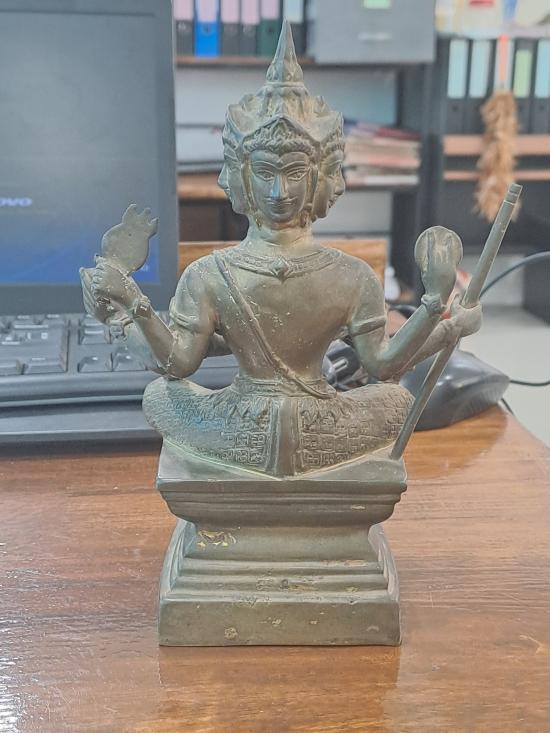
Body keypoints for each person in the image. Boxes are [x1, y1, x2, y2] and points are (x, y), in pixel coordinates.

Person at [81, 23, 480, 477]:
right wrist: (442, 318)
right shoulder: (226, 274)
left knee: (160, 397)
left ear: (321, 177)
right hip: (313, 431)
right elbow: (181, 361)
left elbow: (382, 364)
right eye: (265, 172)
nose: (279, 191)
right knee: (395, 402)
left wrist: (438, 309)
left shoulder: (225, 273)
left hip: (248, 429)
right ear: (241, 175)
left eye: (294, 173)